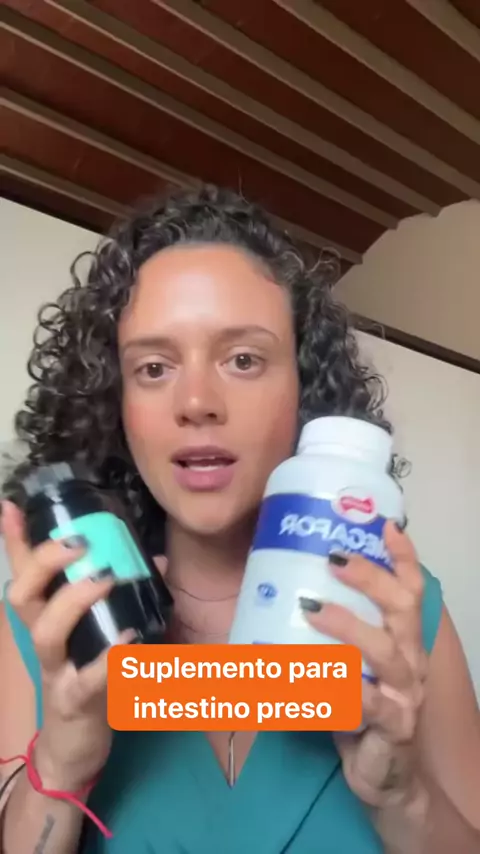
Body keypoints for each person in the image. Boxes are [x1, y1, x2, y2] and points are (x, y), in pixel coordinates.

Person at [0, 185, 479, 854]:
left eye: (244, 360)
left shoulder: (406, 611)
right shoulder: (51, 622)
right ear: (116, 402)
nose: (197, 401)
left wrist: (403, 797)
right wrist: (61, 766)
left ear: (302, 389)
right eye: (154, 367)